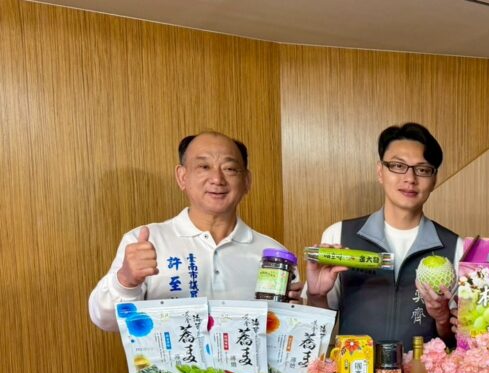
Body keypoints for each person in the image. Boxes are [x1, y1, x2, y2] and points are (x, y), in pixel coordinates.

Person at [89, 132, 286, 331]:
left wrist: (296, 307)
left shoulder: (275, 256)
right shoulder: (144, 242)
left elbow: (287, 332)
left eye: (230, 169)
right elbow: (106, 321)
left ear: (247, 181)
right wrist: (126, 280)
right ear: (182, 177)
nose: (217, 179)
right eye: (204, 167)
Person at [305, 123, 459, 348]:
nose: (410, 178)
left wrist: (443, 318)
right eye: (398, 166)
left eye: (423, 169)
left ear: (434, 179)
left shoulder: (455, 247)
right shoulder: (339, 235)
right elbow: (316, 338)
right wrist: (316, 296)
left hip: (422, 371)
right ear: (380, 171)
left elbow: (458, 344)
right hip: (354, 369)